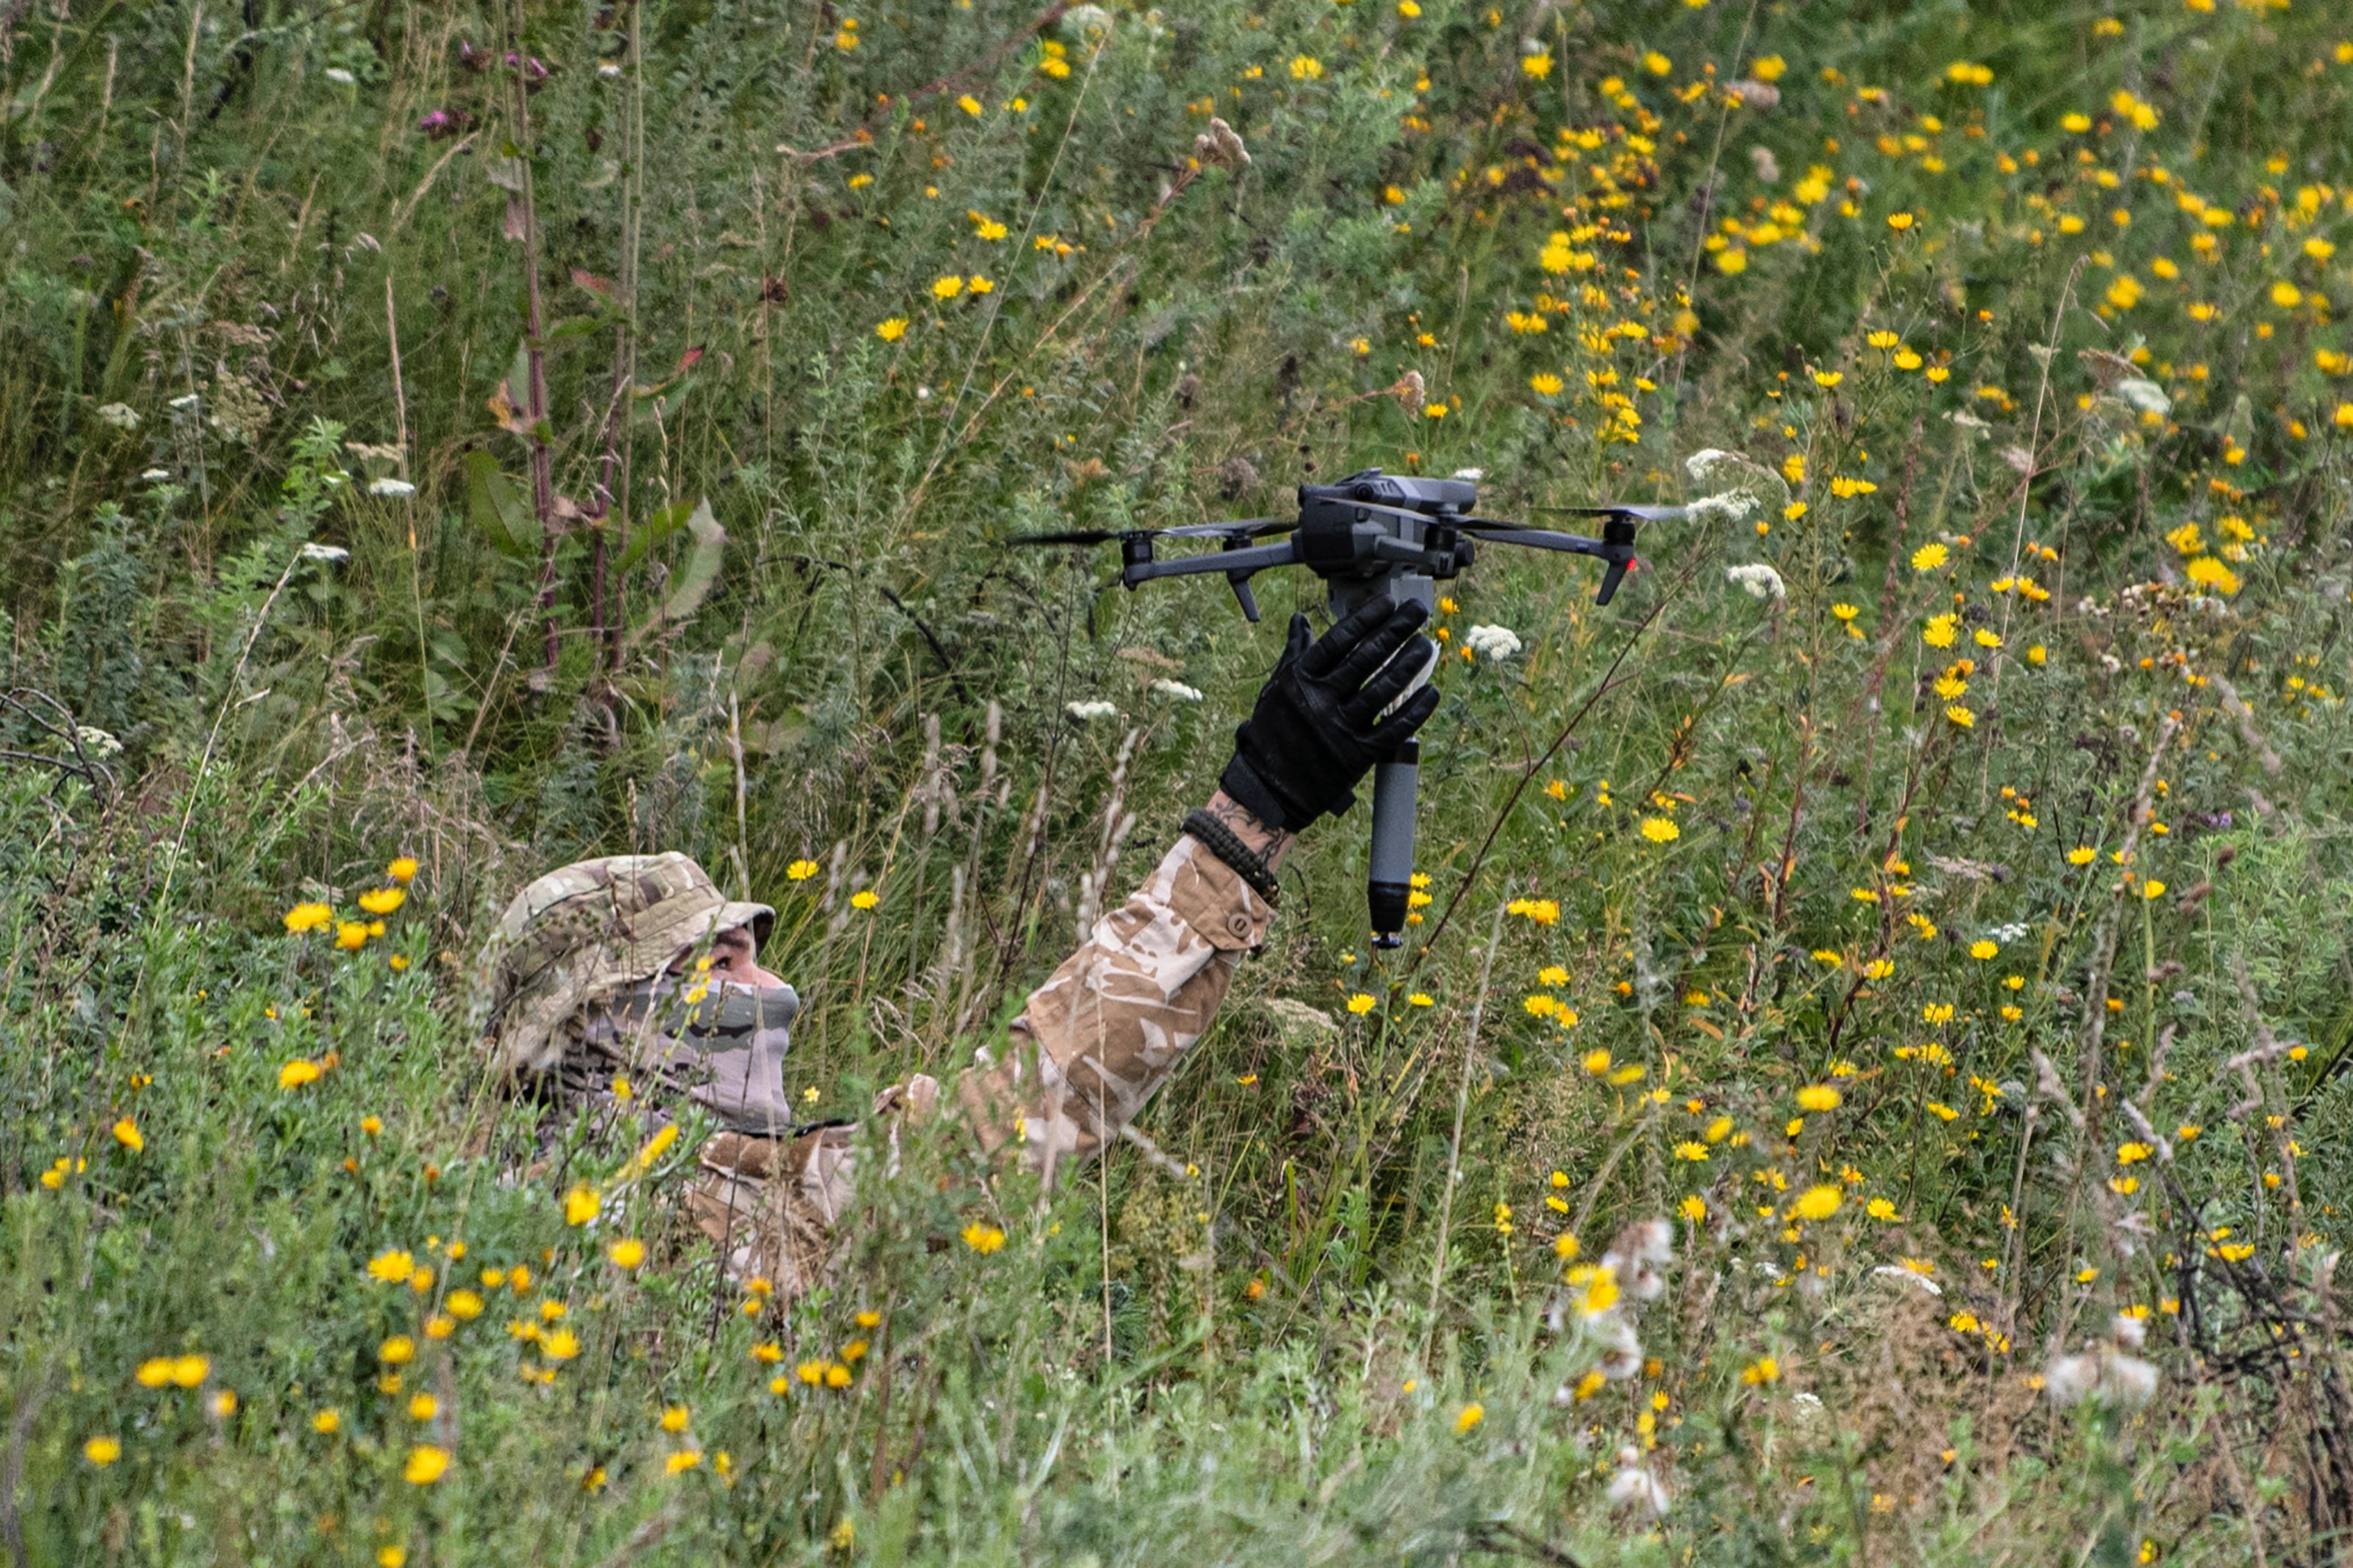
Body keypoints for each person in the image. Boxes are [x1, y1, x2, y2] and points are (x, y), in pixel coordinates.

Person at [478, 598, 1441, 1295]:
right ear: (603, 1028)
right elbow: (991, 1134)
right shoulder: (613, 1221)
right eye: (720, 961)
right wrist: (1248, 820)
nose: (770, 985)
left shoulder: (679, 1180)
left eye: (752, 949)